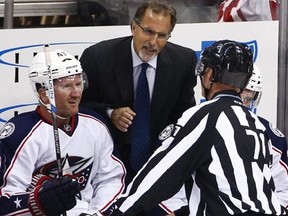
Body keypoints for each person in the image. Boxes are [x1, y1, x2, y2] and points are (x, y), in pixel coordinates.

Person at [107, 40, 288, 216]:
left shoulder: (206, 114)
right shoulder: (255, 122)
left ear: (208, 74)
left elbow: (159, 174)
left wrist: (120, 209)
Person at [80, 0, 197, 183]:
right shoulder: (98, 57)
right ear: (133, 27)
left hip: (159, 163)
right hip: (108, 162)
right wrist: (110, 113)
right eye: (148, 32)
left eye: (162, 35)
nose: (153, 42)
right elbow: (81, 106)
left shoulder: (184, 61)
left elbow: (185, 114)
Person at [0, 48, 126, 215]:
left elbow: (111, 180)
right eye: (67, 86)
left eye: (79, 84)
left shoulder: (96, 125)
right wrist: (38, 202)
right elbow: (6, 197)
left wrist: (97, 213)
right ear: (44, 95)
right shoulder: (20, 133)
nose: (76, 93)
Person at [241, 64, 288, 208]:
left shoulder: (270, 136)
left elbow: (284, 190)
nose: (241, 105)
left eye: (247, 100)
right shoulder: (197, 123)